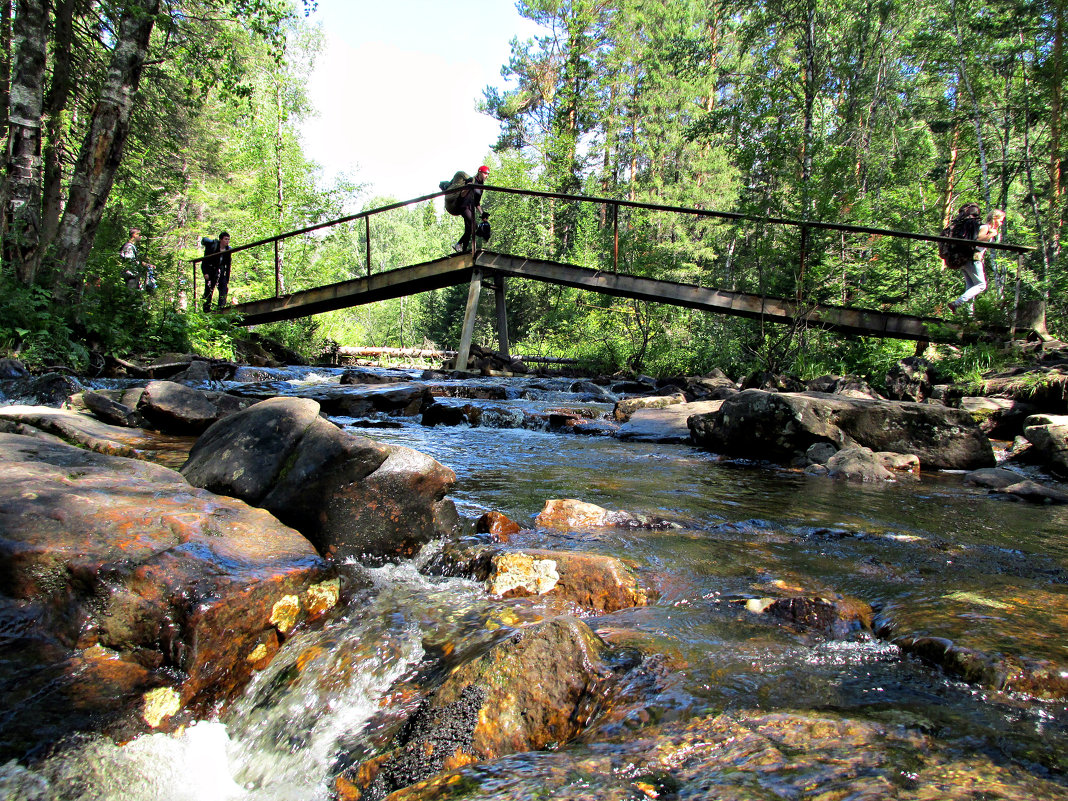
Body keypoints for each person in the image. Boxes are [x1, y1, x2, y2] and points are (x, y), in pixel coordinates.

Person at [948, 207, 1005, 314]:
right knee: (981, 285)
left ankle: (968, 314)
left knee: (971, 287)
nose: (1001, 223)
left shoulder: (987, 228)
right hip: (973, 259)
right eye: (1000, 220)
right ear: (995, 218)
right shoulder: (984, 227)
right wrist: (991, 235)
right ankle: (957, 303)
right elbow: (978, 240)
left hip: (968, 259)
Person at [452, 165, 489, 254]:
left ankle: (462, 251)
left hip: (471, 208)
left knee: (468, 230)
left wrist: (483, 214)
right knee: (474, 225)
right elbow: (462, 194)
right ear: (479, 172)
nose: (486, 176)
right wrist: (467, 186)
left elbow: (477, 203)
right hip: (464, 206)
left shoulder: (481, 186)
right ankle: (458, 244)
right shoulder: (472, 180)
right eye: (485, 173)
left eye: (488, 174)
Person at [200, 231, 232, 312]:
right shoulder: (212, 247)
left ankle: (221, 307)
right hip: (211, 270)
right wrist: (205, 273)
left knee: (224, 288)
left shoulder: (228, 250)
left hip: (221, 271)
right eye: (225, 239)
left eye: (228, 239)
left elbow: (228, 265)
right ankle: (206, 309)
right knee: (209, 289)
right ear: (221, 239)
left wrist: (227, 277)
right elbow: (205, 260)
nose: (227, 241)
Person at [119, 228, 156, 293]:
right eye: (139, 235)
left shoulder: (132, 247)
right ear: (134, 235)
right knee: (131, 295)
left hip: (134, 277)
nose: (140, 237)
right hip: (130, 276)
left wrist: (147, 265)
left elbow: (136, 260)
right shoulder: (129, 247)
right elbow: (130, 261)